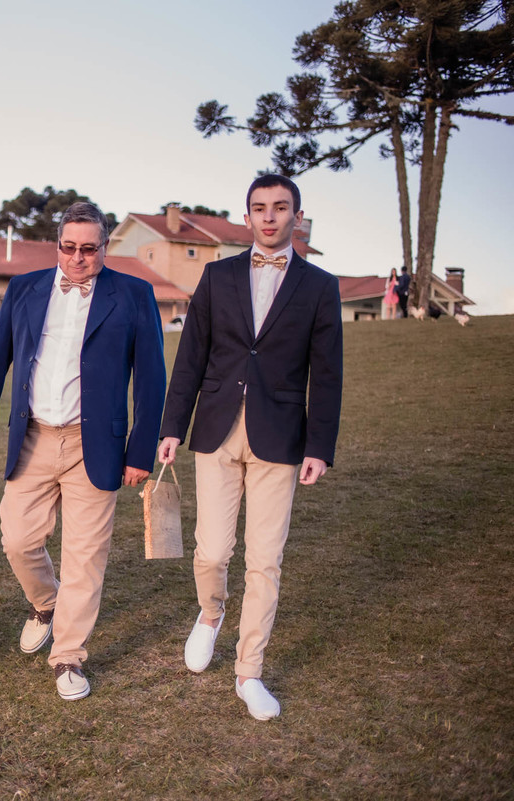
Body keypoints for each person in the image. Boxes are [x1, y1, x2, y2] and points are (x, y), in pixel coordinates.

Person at [0, 201, 167, 701]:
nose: (78, 258)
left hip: (95, 443)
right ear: (57, 245)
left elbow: (152, 377)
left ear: (104, 247)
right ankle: (45, 605)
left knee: (85, 557)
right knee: (17, 539)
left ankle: (69, 656)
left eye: (89, 249)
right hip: (31, 437)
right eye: (68, 248)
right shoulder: (24, 288)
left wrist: (141, 450)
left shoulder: (134, 294)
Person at [157, 174, 343, 721]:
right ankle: (210, 615)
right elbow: (190, 357)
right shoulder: (216, 277)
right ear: (247, 217)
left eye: (280, 208)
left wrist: (320, 445)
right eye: (259, 208)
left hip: (280, 437)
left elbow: (327, 375)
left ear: (296, 217)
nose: (269, 217)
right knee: (213, 550)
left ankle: (249, 672)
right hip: (215, 428)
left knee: (265, 560)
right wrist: (172, 426)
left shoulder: (320, 286)